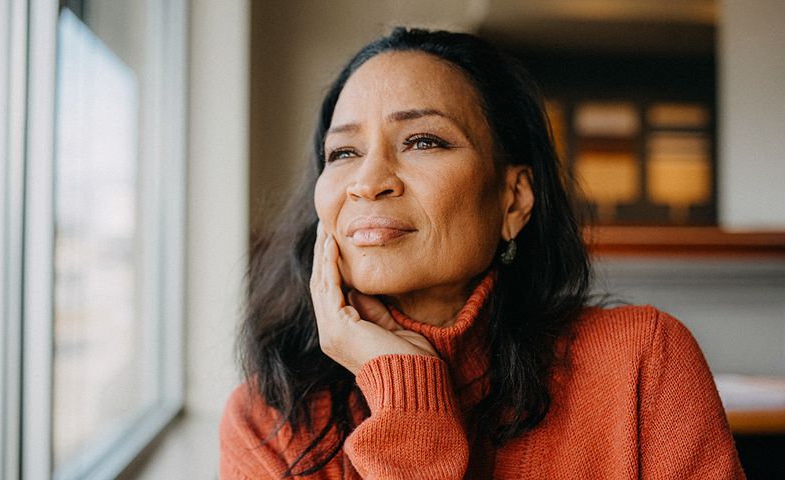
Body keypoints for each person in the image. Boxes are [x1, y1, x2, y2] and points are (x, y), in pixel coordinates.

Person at [220, 28, 744, 479]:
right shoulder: (268, 418)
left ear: (512, 199)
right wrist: (406, 395)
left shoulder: (641, 361)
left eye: (423, 141)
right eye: (343, 152)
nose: (368, 182)